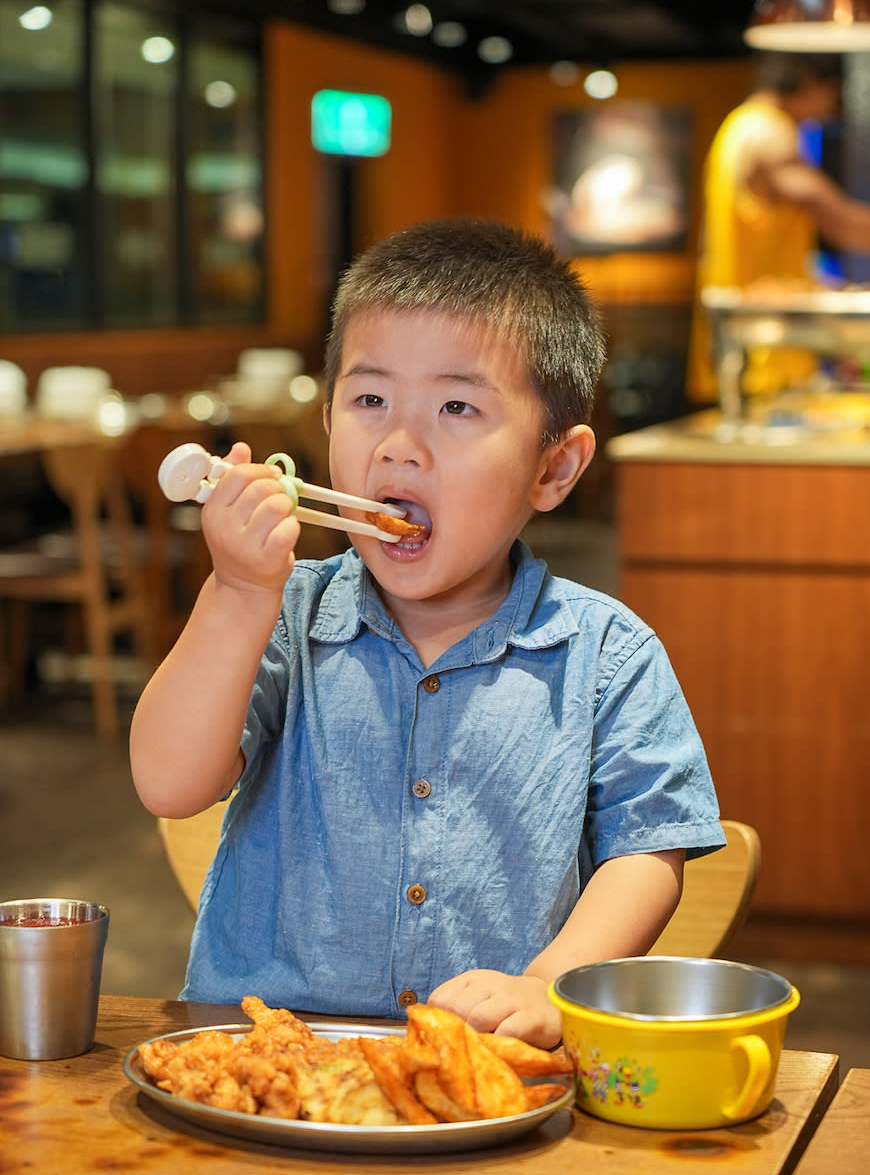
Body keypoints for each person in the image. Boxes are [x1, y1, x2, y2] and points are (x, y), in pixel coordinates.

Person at [130, 217, 723, 1049]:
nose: (400, 445)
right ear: (328, 424)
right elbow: (167, 781)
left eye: (456, 406)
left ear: (554, 466)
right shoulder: (281, 614)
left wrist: (552, 985)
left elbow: (646, 848)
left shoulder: (607, 653)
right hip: (262, 1063)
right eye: (370, 399)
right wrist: (235, 590)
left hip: (478, 1072)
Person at [689, 51, 870, 403]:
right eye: (832, 92)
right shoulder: (771, 133)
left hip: (742, 353)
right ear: (809, 81)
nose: (832, 107)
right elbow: (843, 224)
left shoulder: (739, 126)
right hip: (764, 362)